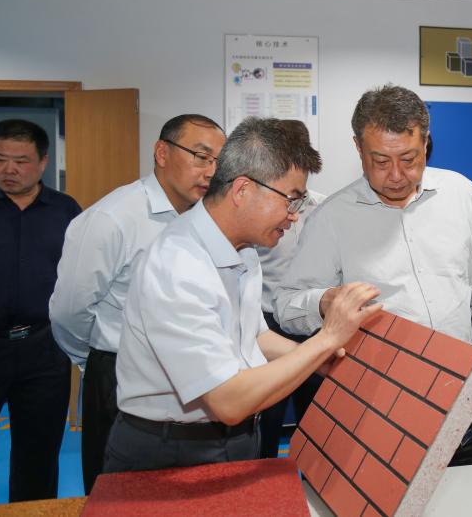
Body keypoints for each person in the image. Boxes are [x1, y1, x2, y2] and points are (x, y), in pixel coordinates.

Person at [105, 117, 381, 473]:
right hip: (171, 451)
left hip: (231, 439)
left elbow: (252, 335)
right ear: (242, 190)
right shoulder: (178, 264)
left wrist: (317, 359)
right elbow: (228, 401)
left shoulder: (244, 250)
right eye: (291, 200)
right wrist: (326, 339)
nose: (294, 217)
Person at [275, 84, 472, 466]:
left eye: (409, 158)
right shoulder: (332, 218)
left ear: (426, 142)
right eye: (381, 161)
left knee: (471, 491)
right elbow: (286, 304)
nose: (397, 175)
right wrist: (324, 301)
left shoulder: (461, 195)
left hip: (461, 401)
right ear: (358, 148)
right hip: (378, 410)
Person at [49, 114, 226, 492]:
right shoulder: (113, 218)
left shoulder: (208, 219)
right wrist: (97, 360)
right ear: (162, 153)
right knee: (116, 493)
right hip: (117, 374)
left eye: (218, 161)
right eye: (200, 156)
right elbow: (69, 311)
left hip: (192, 377)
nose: (211, 171)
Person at [0, 119, 81, 502]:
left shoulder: (66, 210)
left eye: (20, 161)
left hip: (44, 350)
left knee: (38, 458)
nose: (9, 169)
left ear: (42, 162)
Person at [255, 120, 326, 459]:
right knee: (266, 422)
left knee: (318, 423)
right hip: (267, 326)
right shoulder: (259, 213)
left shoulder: (325, 210)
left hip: (313, 326)